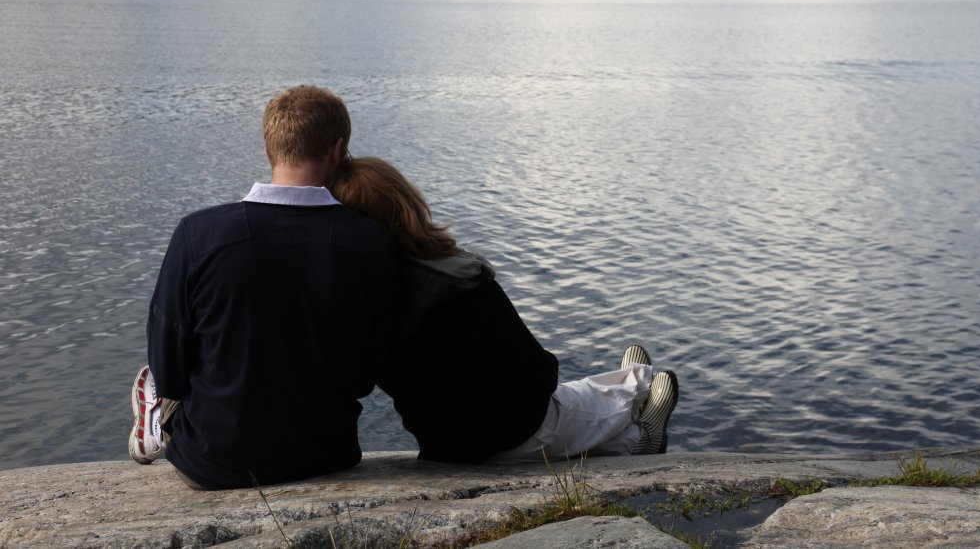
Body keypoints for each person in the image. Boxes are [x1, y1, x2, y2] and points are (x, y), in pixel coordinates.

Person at [128, 85, 401, 490]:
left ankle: (153, 419)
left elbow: (169, 371)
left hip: (214, 464)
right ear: (337, 150)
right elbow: (366, 375)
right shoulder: (372, 241)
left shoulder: (198, 234)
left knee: (161, 374)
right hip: (328, 455)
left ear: (269, 152)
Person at [332, 156, 678, 463]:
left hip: (445, 446)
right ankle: (642, 425)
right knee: (583, 404)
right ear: (408, 206)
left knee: (579, 403)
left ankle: (631, 389)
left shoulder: (364, 305)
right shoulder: (465, 285)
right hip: (519, 434)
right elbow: (539, 376)